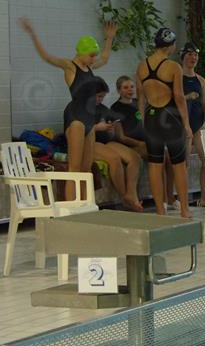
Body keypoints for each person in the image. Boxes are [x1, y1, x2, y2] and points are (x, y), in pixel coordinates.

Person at [19, 17, 116, 201]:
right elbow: (47, 57)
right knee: (74, 168)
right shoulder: (70, 66)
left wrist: (109, 38)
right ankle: (72, 210)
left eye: (94, 55)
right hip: (76, 118)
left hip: (89, 120)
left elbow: (104, 58)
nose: (94, 59)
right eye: (91, 55)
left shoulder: (89, 66)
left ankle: (85, 206)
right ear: (82, 52)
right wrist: (33, 35)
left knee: (87, 170)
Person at [136, 27, 192, 218]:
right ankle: (184, 210)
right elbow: (179, 98)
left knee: (155, 165)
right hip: (171, 119)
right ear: (171, 45)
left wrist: (143, 122)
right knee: (179, 165)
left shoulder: (141, 66)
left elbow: (140, 99)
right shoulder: (174, 67)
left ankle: (160, 211)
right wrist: (186, 124)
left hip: (151, 119)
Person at [165, 42, 205, 209]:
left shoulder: (201, 80)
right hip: (182, 124)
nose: (193, 58)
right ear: (183, 57)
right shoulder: (176, 78)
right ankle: (175, 198)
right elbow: (170, 102)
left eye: (195, 55)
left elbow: (204, 103)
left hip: (199, 123)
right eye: (189, 54)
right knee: (182, 164)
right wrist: (187, 97)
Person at [92, 79, 144, 211]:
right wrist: (97, 128)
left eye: (102, 97)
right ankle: (124, 197)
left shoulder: (104, 109)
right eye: (98, 96)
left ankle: (131, 194)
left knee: (135, 158)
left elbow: (114, 132)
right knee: (114, 158)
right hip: (90, 142)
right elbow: (75, 130)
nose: (100, 99)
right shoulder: (80, 110)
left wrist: (110, 130)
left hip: (107, 142)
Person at [110, 75, 147, 158]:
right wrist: (140, 144)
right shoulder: (115, 108)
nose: (130, 89)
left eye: (132, 87)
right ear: (119, 90)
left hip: (143, 141)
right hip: (128, 145)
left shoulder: (138, 102)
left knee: (165, 153)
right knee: (154, 154)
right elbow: (121, 137)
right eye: (126, 87)